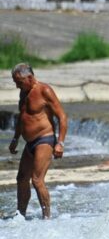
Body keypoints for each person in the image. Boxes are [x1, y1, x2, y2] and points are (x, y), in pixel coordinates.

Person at [9, 63, 68, 219]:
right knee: (21, 178)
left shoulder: (45, 90)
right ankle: (20, 215)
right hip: (29, 143)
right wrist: (15, 138)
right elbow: (22, 117)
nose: (17, 86)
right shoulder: (23, 92)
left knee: (37, 180)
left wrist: (60, 143)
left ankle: (47, 218)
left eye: (19, 82)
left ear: (29, 77)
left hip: (45, 139)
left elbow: (62, 116)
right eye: (15, 82)